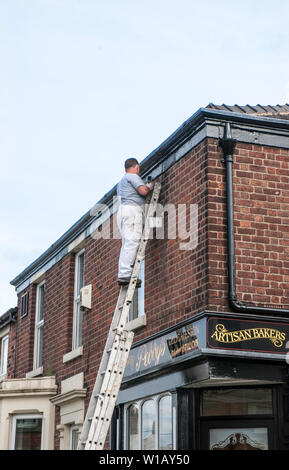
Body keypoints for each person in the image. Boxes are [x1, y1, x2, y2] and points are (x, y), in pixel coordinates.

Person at [117, 158, 153, 286]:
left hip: (123, 211)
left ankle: (125, 273)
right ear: (136, 167)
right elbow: (143, 191)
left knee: (127, 242)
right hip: (132, 211)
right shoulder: (132, 176)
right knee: (132, 241)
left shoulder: (121, 182)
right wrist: (149, 186)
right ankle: (125, 274)